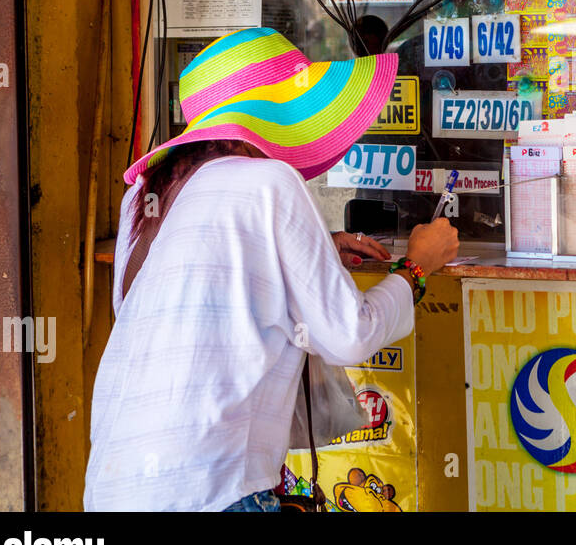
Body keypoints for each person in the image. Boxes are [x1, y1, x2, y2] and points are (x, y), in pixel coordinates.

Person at [83, 26, 458, 512]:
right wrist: (418, 266)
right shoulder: (268, 182)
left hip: (112, 491)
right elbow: (349, 334)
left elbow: (191, 286)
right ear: (277, 117)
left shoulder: (145, 196)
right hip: (211, 490)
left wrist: (313, 249)